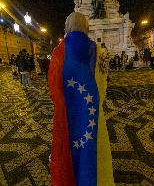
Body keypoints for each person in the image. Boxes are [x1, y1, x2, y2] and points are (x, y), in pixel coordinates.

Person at [48, 12, 114, 186]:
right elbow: (103, 85)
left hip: (66, 116)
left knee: (67, 150)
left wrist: (63, 104)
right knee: (93, 153)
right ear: (87, 27)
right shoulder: (98, 51)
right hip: (93, 116)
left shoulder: (58, 53)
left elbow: (53, 86)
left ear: (67, 27)